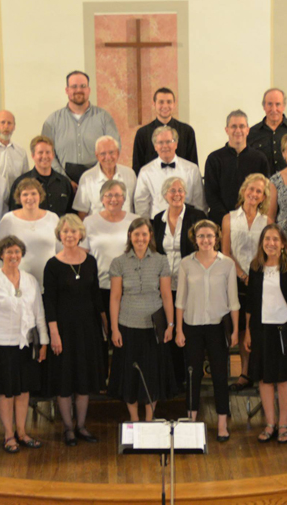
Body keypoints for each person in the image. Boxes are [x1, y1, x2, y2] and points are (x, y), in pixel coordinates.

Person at [0, 236, 48, 453]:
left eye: (17, 252)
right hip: (1, 345)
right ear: (1, 255)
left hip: (25, 345)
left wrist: (44, 342)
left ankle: (22, 432)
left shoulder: (30, 280)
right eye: (9, 252)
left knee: (23, 391)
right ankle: (9, 435)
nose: (13, 256)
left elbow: (39, 313)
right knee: (6, 392)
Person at [44, 215, 107, 446]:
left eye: (73, 231)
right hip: (63, 329)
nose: (69, 235)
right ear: (59, 235)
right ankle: (68, 428)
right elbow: (49, 302)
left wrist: (105, 325)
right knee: (65, 379)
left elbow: (96, 294)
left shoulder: (89, 261)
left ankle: (81, 426)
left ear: (80, 234)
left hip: (87, 328)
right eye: (65, 232)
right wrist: (54, 333)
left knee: (84, 378)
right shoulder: (52, 264)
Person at [175, 220, 239, 441]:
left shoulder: (227, 264)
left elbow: (233, 301)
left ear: (216, 238)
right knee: (193, 374)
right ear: (195, 238)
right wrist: (178, 330)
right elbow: (180, 300)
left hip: (217, 327)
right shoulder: (185, 264)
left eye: (209, 236)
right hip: (191, 326)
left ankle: (222, 423)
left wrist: (236, 330)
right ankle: (191, 422)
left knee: (220, 375)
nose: (205, 240)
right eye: (201, 236)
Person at [108, 218, 177, 421]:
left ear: (150, 236)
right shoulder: (118, 262)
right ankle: (134, 420)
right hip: (127, 326)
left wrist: (171, 325)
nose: (140, 238)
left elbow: (166, 295)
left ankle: (149, 419)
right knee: (130, 375)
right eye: (136, 234)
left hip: (153, 328)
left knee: (151, 375)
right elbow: (115, 297)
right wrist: (114, 329)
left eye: (144, 234)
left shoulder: (160, 260)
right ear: (130, 236)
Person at [244, 224, 287, 444]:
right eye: (267, 239)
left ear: (282, 244)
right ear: (262, 243)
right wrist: (248, 332)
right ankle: (270, 424)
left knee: (284, 379)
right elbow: (250, 303)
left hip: (285, 330)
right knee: (264, 378)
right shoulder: (255, 267)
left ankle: (283, 424)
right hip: (261, 330)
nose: (271, 243)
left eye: (275, 239)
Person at [151, 176, 208, 389]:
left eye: (180, 190)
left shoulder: (197, 216)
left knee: (188, 331)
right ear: (165, 195)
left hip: (190, 284)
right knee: (168, 329)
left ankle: (191, 379)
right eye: (172, 191)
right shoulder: (157, 220)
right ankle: (172, 379)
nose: (177, 194)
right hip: (164, 286)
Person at [82, 180, 138, 376]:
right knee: (101, 336)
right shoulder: (89, 222)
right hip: (98, 286)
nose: (113, 199)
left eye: (117, 195)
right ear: (101, 199)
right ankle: (100, 378)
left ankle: (123, 377)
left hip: (128, 288)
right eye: (109, 195)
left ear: (124, 198)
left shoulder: (135, 220)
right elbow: (83, 255)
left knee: (125, 333)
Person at [222, 174, 271, 391]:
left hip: (260, 279)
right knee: (242, 328)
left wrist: (256, 275)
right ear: (244, 190)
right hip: (235, 278)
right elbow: (225, 252)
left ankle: (258, 371)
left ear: (263, 197)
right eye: (251, 189)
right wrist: (243, 275)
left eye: (259, 191)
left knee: (257, 327)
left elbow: (269, 250)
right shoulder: (229, 218)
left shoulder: (267, 221)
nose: (253, 194)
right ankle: (243, 373)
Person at [41, 70, 120, 185]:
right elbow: (46, 154)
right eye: (74, 86)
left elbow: (115, 148)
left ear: (89, 90)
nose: (79, 90)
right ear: (67, 90)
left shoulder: (104, 118)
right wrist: (65, 180)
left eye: (83, 86)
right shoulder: (52, 121)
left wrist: (98, 175)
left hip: (98, 182)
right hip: (62, 184)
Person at [204, 109, 271, 225]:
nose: (238, 130)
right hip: (220, 222)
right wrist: (228, 219)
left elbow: (265, 192)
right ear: (227, 130)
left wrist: (249, 218)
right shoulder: (214, 159)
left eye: (242, 126)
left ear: (248, 130)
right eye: (233, 126)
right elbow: (211, 195)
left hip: (252, 222)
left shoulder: (260, 159)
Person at [0, 178, 59, 288]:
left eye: (34, 193)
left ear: (40, 195)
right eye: (25, 194)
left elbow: (62, 251)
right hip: (17, 284)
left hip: (51, 282)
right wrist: (2, 281)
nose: (30, 198)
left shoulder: (53, 218)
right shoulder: (8, 220)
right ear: (19, 198)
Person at [134, 125, 206, 219]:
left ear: (176, 144)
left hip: (187, 223)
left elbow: (199, 203)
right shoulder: (145, 172)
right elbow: (141, 206)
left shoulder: (192, 169)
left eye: (168, 141)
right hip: (157, 225)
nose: (165, 146)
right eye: (160, 142)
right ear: (155, 146)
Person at [132, 87, 198, 175]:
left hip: (181, 183)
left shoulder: (187, 131)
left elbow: (193, 165)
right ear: (154, 104)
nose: (165, 106)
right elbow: (137, 167)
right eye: (161, 102)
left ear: (174, 104)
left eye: (169, 102)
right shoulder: (142, 133)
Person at [247, 88, 287, 174]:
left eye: (278, 104)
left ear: (284, 106)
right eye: (270, 104)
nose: (274, 109)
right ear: (264, 106)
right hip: (262, 185)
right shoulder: (252, 133)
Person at [8, 135, 74, 216]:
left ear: (53, 155)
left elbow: (71, 215)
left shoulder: (64, 183)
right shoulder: (20, 183)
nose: (45, 156)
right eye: (40, 152)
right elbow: (14, 214)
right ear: (33, 156)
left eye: (48, 152)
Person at [73, 135, 137, 218]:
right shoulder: (86, 178)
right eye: (103, 153)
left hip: (126, 229)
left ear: (118, 153)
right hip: (96, 230)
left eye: (111, 152)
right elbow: (82, 214)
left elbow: (136, 207)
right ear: (97, 156)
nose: (108, 157)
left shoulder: (130, 174)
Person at [0, 110, 29, 191]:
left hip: (15, 201)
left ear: (14, 127)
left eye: (9, 123)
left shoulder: (21, 152)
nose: (6, 126)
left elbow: (25, 181)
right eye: (2, 122)